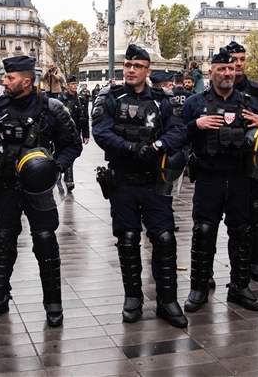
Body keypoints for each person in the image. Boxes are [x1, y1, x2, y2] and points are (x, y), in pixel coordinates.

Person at [0, 55, 81, 327]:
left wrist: (54, 168)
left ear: (26, 81)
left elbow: (73, 145)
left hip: (39, 191)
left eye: (10, 78)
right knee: (3, 239)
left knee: (45, 239)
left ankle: (53, 302)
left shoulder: (52, 108)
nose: (5, 81)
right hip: (6, 184)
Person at [93, 44, 189, 328]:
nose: (131, 70)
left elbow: (179, 130)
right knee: (127, 239)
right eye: (127, 65)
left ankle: (167, 301)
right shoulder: (110, 98)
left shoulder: (163, 100)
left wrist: (158, 145)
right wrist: (132, 147)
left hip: (155, 182)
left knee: (164, 239)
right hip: (122, 181)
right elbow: (101, 132)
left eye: (137, 66)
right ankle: (132, 298)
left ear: (148, 71)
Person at [180, 48, 258, 314]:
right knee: (204, 233)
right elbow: (177, 134)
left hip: (241, 179)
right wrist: (196, 125)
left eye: (231, 69)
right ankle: (199, 287)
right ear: (211, 72)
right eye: (222, 69)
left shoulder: (249, 102)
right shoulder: (195, 103)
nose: (227, 73)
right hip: (208, 178)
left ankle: (240, 287)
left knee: (241, 234)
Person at [228, 41, 258, 285]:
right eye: (233, 59)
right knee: (216, 220)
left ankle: (256, 263)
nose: (237, 64)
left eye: (241, 59)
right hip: (224, 166)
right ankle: (208, 274)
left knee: (256, 213)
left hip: (252, 166)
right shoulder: (210, 93)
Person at [59, 75, 90, 193]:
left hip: (76, 132)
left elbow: (85, 118)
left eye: (76, 84)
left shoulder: (81, 100)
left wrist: (86, 135)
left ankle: (68, 180)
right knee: (65, 155)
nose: (75, 86)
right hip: (63, 133)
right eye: (72, 84)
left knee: (70, 156)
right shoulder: (62, 100)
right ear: (67, 86)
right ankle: (67, 180)